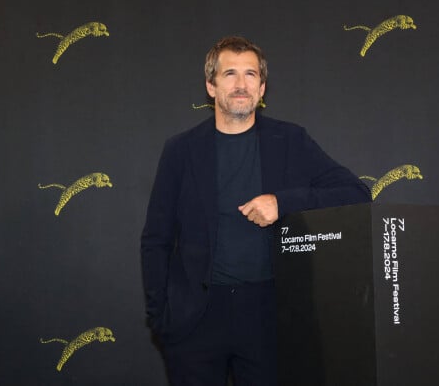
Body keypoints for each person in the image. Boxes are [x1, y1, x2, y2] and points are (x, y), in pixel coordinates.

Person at [140, 35, 370, 386]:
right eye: (229, 73)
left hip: (269, 316)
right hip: (195, 320)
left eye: (250, 74)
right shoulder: (181, 151)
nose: (241, 84)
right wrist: (161, 317)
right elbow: (156, 240)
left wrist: (283, 202)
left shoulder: (290, 141)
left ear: (262, 88)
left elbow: (356, 193)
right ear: (211, 86)